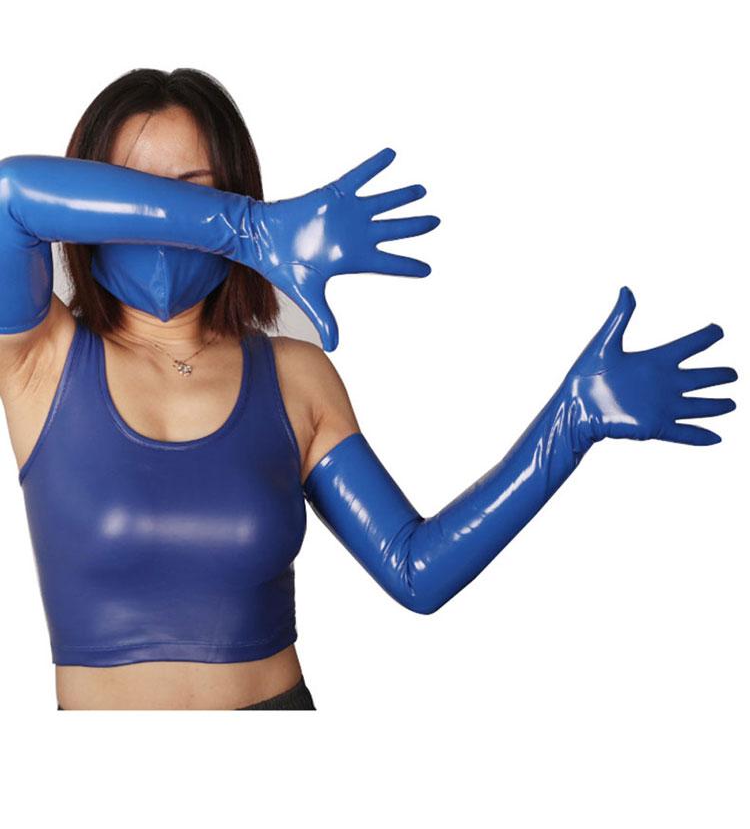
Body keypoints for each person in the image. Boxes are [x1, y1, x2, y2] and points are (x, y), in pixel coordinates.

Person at [0, 68, 737, 711]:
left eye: (195, 192)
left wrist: (568, 423)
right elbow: (9, 197)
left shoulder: (293, 375)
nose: (166, 224)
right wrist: (245, 228)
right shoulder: (39, 358)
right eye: (134, 194)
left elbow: (415, 570)